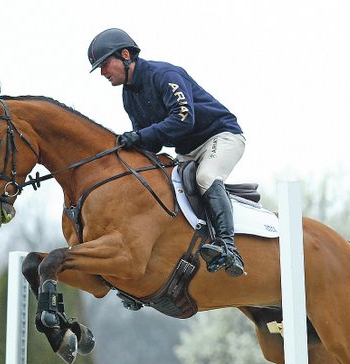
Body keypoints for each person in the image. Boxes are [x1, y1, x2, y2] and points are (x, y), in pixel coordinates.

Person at [87, 28, 246, 277]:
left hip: (221, 136)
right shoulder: (129, 96)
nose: (103, 73)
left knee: (205, 178)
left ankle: (229, 247)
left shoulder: (164, 75)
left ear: (126, 55)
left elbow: (183, 119)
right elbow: (152, 144)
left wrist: (139, 137)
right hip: (187, 151)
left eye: (105, 64)